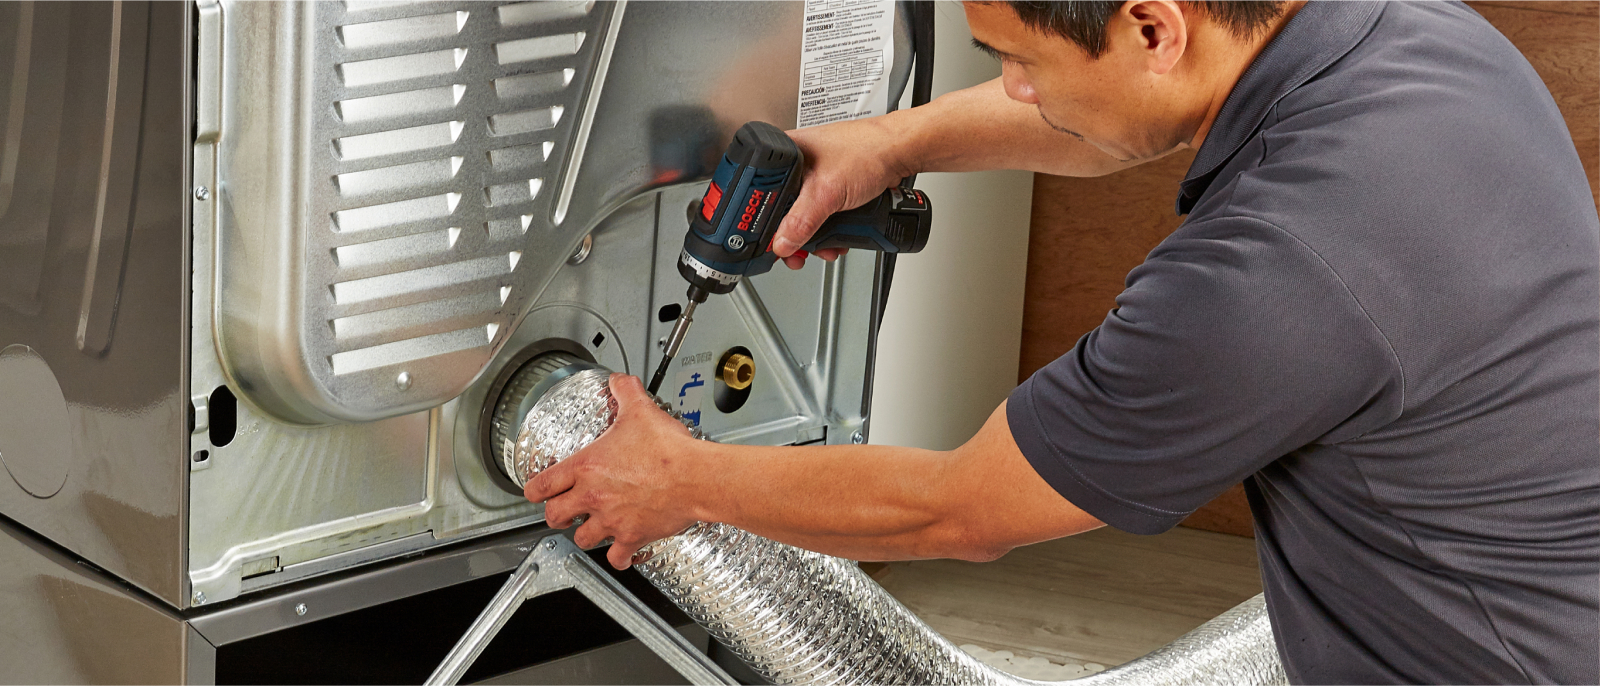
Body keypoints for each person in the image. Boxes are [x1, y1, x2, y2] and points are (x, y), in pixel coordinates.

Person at [526, 2, 1600, 682]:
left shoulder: (1265, 276)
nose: (1019, 92)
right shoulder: (1423, 37)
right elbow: (1110, 112)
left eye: (1017, 61)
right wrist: (891, 142)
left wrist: (684, 479)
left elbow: (959, 508)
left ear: (1151, 26)